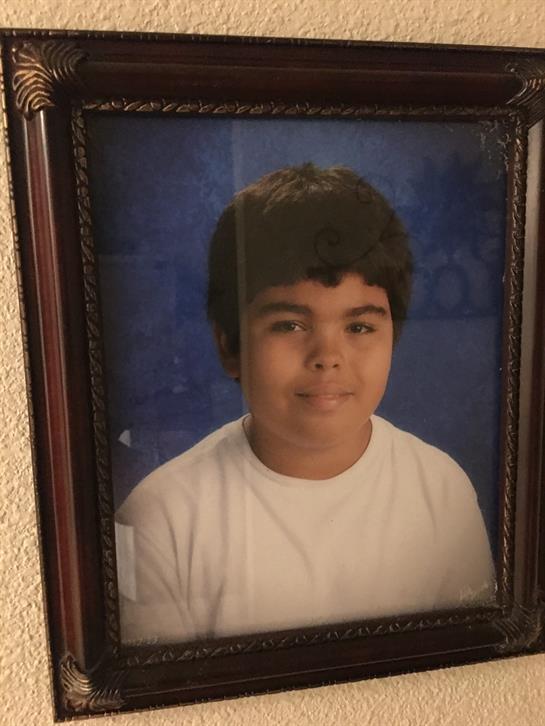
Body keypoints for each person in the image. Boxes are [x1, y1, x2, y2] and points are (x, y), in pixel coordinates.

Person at [115, 163, 495, 645]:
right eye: (289, 325)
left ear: (392, 340)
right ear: (229, 346)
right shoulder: (158, 520)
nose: (328, 358)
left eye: (359, 327)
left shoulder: (442, 491)